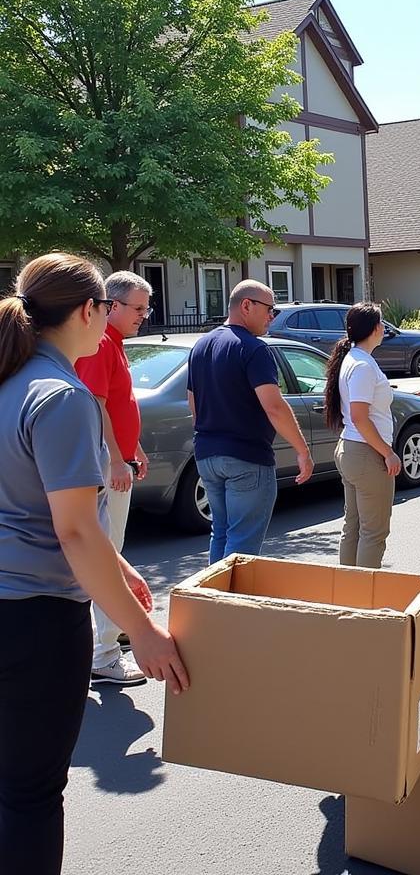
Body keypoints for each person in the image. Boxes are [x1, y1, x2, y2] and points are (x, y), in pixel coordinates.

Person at [0, 253, 188, 875]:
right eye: (108, 308)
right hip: (35, 620)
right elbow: (76, 530)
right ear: (89, 311)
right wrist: (141, 627)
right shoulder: (60, 397)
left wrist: (120, 568)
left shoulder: (10, 382)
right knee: (28, 795)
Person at [187, 280, 313, 564]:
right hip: (247, 457)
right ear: (246, 305)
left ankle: (212, 601)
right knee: (242, 542)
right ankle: (230, 605)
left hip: (207, 453)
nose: (272, 316)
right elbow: (274, 407)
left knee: (221, 532)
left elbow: (193, 402)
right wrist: (302, 451)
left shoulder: (201, 345)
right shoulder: (255, 349)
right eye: (270, 309)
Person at [75, 271, 153, 687]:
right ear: (113, 305)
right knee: (109, 554)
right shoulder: (103, 342)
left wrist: (132, 449)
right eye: (138, 308)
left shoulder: (112, 341)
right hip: (107, 465)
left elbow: (116, 404)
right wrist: (116, 460)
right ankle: (104, 653)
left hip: (115, 459)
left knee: (109, 551)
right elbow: (96, 403)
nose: (144, 315)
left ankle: (102, 643)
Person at [323, 303, 401, 568]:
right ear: (375, 328)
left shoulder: (353, 359)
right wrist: (388, 452)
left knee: (354, 527)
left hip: (352, 449)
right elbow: (359, 416)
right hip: (366, 453)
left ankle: (349, 593)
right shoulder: (363, 365)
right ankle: (366, 599)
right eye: (381, 323)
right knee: (373, 533)